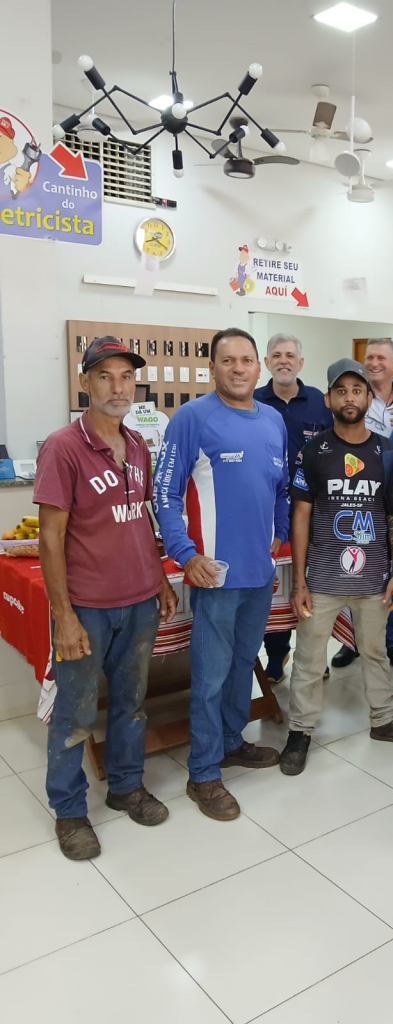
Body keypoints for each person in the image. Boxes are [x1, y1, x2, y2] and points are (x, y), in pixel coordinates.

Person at [35, 337, 178, 861]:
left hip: (138, 602)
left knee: (131, 704)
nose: (118, 387)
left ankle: (126, 786)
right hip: (87, 608)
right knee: (75, 714)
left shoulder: (137, 444)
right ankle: (70, 810)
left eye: (126, 377)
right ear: (85, 383)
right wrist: (64, 616)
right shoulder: (63, 447)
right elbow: (50, 537)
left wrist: (159, 578)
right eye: (105, 376)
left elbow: (140, 520)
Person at [153, 328, 289, 822]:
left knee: (242, 665)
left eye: (246, 359)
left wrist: (279, 530)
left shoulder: (273, 419)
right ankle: (203, 772)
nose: (238, 368)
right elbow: (164, 492)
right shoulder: (192, 418)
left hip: (259, 574)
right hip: (214, 575)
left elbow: (279, 487)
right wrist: (185, 554)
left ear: (259, 366)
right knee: (209, 678)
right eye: (227, 360)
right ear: (212, 367)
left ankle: (231, 742)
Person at [280, 358, 393, 775]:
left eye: (357, 390)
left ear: (368, 397)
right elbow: (300, 516)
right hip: (322, 577)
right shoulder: (314, 451)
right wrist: (299, 581)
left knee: (376, 653)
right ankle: (300, 731)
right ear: (329, 399)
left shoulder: (386, 452)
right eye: (341, 391)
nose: (349, 398)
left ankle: (384, 719)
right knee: (309, 659)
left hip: (373, 577)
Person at [331, 338, 393, 671]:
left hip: (389, 499)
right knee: (350, 569)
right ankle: (349, 642)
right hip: (352, 497)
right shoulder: (353, 397)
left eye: (381, 357)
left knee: (387, 573)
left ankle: (388, 642)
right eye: (369, 357)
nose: (374, 363)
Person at [254, 332, 333, 683]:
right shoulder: (254, 400)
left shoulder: (320, 402)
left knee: (313, 582)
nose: (283, 360)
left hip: (314, 510)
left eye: (290, 355)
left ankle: (315, 654)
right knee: (274, 585)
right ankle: (276, 652)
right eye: (276, 355)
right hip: (266, 510)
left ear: (300, 363)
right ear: (266, 363)